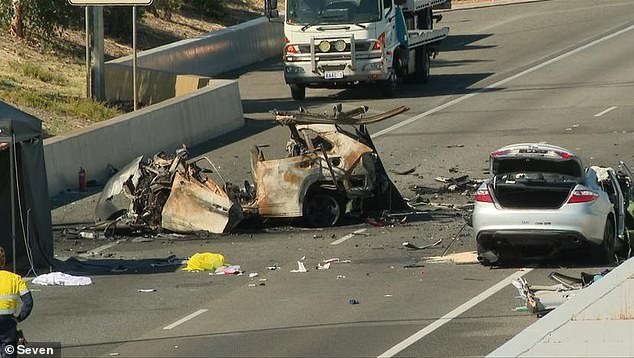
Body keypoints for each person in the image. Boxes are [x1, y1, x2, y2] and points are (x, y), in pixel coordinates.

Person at [0, 246, 33, 358]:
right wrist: (19, 318)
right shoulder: (15, 278)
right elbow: (28, 302)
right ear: (3, 260)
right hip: (8, 322)